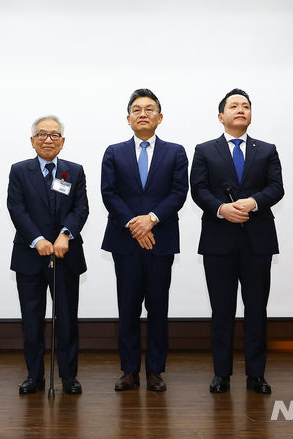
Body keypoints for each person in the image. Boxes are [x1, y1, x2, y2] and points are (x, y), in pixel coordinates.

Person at [189, 88, 284, 394]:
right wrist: (222, 209)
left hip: (258, 240)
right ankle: (222, 374)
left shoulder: (266, 149)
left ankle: (256, 374)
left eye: (246, 106)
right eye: (234, 106)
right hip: (219, 242)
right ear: (221, 116)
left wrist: (253, 203)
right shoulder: (204, 150)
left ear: (251, 114)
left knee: (256, 310)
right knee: (222, 310)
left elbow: (276, 188)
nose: (240, 109)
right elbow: (198, 189)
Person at [101, 89, 188, 392]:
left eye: (149, 109)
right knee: (127, 307)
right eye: (136, 110)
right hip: (125, 241)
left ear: (159, 117)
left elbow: (178, 193)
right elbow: (109, 193)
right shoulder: (114, 152)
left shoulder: (175, 152)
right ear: (128, 119)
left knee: (158, 307)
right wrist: (134, 224)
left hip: (160, 239)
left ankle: (154, 370)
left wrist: (150, 220)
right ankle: (129, 370)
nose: (143, 114)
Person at [7, 115, 89, 395]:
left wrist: (65, 234)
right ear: (32, 141)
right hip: (30, 255)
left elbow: (81, 209)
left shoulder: (74, 171)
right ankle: (34, 376)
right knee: (32, 319)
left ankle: (68, 376)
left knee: (66, 319)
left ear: (63, 142)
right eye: (42, 134)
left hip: (65, 255)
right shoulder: (19, 170)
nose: (48, 139)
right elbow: (16, 209)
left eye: (54, 135)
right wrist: (37, 239)